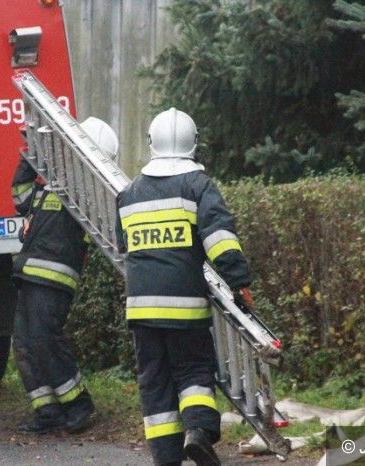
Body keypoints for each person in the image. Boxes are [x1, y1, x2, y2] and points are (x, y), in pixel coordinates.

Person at [115, 108, 253, 466]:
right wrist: (239, 283)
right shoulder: (198, 186)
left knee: (154, 381)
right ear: (194, 144)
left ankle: (166, 457)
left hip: (141, 309)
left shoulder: (128, 194)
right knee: (193, 370)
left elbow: (123, 246)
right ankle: (198, 432)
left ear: (152, 143)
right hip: (185, 306)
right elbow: (219, 238)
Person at [11, 117, 119, 434]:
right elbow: (19, 195)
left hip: (53, 279)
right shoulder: (51, 187)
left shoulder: (87, 196)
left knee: (44, 339)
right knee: (25, 344)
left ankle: (79, 405)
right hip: (30, 274)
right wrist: (31, 152)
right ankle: (48, 412)